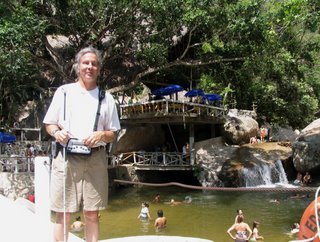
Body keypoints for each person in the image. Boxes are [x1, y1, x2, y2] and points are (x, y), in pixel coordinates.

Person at [43, 46, 121, 242]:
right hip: (66, 158)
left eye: (94, 64)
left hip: (95, 159)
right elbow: (49, 124)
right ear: (78, 67)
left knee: (92, 213)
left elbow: (113, 133)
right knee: (63, 212)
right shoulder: (64, 92)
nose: (89, 67)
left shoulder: (107, 98)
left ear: (99, 69)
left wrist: (102, 134)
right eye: (85, 63)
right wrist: (57, 133)